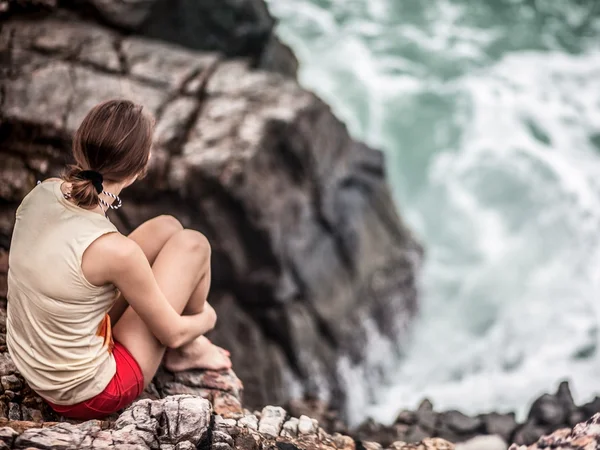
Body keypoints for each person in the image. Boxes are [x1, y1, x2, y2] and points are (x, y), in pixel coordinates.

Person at [6, 98, 231, 421]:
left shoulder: (43, 192)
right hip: (88, 392)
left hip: (38, 359)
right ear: (142, 166)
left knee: (166, 227)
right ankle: (191, 350)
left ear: (80, 145)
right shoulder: (115, 252)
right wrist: (207, 318)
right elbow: (172, 333)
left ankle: (187, 342)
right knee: (194, 244)